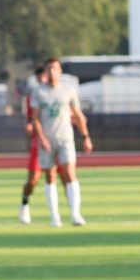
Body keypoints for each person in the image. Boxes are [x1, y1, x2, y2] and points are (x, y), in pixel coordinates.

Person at [28, 57, 93, 227]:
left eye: (54, 68)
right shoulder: (38, 91)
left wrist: (85, 137)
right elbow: (34, 118)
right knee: (50, 175)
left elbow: (78, 114)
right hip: (47, 140)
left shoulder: (68, 90)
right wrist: (41, 138)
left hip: (65, 138)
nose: (51, 71)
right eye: (48, 68)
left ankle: (75, 213)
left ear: (60, 71)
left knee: (70, 172)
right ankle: (54, 216)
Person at [19, 66, 61, 226]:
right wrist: (30, 126)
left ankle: (61, 215)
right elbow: (32, 117)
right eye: (40, 78)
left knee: (61, 177)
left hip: (58, 141)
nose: (43, 80)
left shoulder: (60, 93)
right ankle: (24, 203)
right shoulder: (35, 95)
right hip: (39, 143)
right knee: (33, 180)